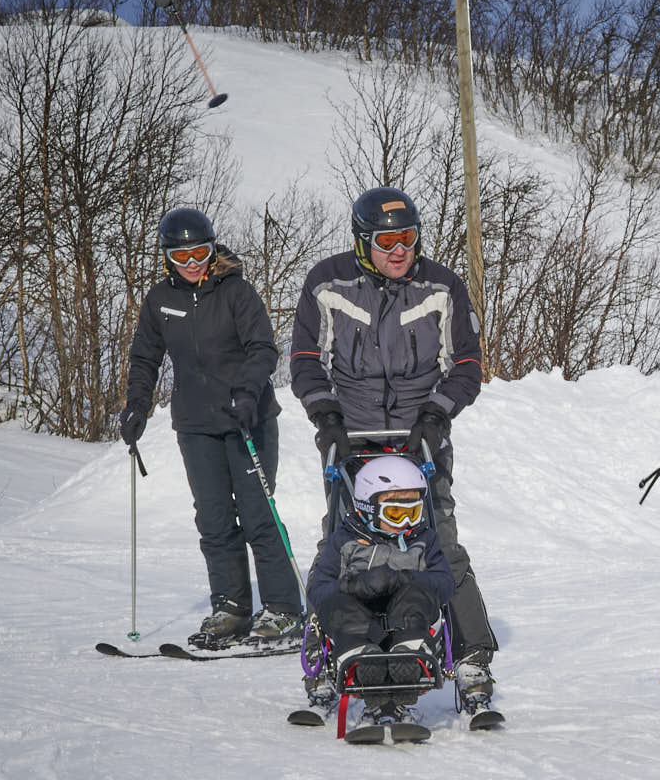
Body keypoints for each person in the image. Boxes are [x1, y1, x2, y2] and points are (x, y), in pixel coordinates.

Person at [289, 186, 499, 717]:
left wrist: (436, 413)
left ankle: (470, 656)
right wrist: (326, 415)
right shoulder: (327, 282)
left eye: (407, 238)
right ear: (363, 242)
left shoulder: (441, 287)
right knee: (343, 539)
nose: (399, 249)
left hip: (418, 436)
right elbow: (307, 359)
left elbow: (469, 364)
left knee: (437, 541)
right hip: (351, 437)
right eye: (387, 240)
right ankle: (333, 650)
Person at [120, 207, 303, 647]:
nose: (192, 263)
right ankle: (231, 608)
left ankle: (283, 609)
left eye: (199, 252)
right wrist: (136, 407)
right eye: (180, 256)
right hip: (196, 425)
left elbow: (264, 348)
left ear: (212, 248)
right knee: (215, 520)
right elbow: (145, 358)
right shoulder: (160, 300)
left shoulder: (237, 292)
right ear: (167, 258)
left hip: (247, 421)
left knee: (259, 516)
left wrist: (246, 392)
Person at [302, 454, 456, 726]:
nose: (406, 523)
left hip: (408, 624)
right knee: (336, 601)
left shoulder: (425, 540)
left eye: (413, 513)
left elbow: (445, 584)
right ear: (366, 507)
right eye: (396, 513)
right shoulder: (343, 541)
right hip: (359, 625)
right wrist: (353, 585)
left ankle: (406, 654)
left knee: (420, 591)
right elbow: (318, 591)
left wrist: (407, 579)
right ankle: (360, 657)